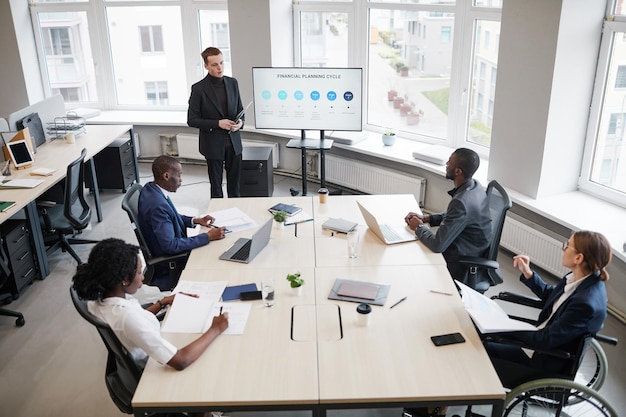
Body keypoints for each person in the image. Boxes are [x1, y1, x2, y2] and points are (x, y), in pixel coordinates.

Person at [72, 238, 229, 371]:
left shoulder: (99, 297)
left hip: (144, 348)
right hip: (154, 367)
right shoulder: (127, 317)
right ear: (124, 280)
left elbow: (135, 320)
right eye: (140, 272)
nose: (143, 278)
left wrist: (163, 302)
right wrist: (216, 329)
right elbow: (181, 360)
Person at [484, 230, 611, 388]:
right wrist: (528, 273)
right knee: (485, 333)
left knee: (481, 346)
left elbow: (544, 340)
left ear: (579, 258)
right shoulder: (581, 279)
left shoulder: (585, 303)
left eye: (567, 246)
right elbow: (553, 297)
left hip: (542, 359)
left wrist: (504, 326)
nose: (563, 249)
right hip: (542, 340)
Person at [404, 148, 492, 284]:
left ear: (458, 171)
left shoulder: (461, 202)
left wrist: (418, 227)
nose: (446, 164)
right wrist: (427, 218)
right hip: (473, 247)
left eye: (449, 162)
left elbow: (438, 245)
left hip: (462, 260)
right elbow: (456, 216)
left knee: (412, 258)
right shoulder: (475, 186)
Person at [138, 155, 225, 290]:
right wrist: (208, 236)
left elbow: (170, 216)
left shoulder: (151, 189)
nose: (181, 180)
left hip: (170, 250)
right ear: (166, 176)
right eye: (179, 176)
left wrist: (195, 220)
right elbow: (170, 245)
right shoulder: (158, 207)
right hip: (172, 261)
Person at [188, 46, 244, 198]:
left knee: (235, 186)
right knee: (216, 186)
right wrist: (217, 123)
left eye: (221, 63)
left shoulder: (233, 83)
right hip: (212, 144)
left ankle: (236, 212)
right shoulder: (198, 89)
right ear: (206, 66)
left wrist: (240, 124)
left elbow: (240, 111)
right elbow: (192, 120)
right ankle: (218, 216)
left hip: (234, 142)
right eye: (214, 64)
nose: (220, 67)